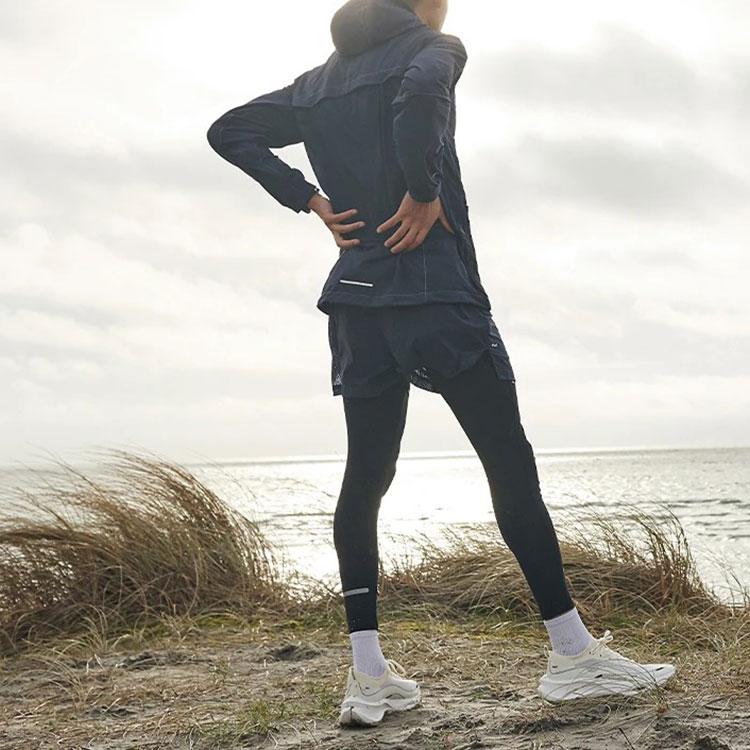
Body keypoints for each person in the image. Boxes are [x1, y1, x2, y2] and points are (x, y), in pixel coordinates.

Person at [207, 0, 676, 728]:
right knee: (507, 462)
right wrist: (422, 192)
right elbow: (420, 100)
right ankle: (573, 656)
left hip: (358, 302)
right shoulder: (436, 48)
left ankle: (368, 677)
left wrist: (310, 200)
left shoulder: (315, 85)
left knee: (366, 476)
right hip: (435, 294)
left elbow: (228, 130)